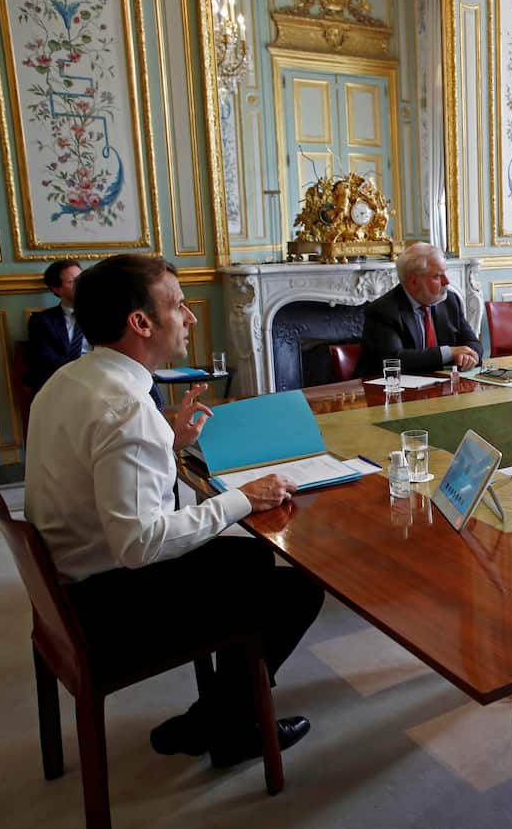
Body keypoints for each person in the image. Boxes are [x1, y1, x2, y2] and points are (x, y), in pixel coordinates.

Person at [24, 254, 324, 768]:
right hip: (104, 606)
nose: (189, 317)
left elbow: (107, 472)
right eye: (178, 306)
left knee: (248, 562)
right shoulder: (127, 409)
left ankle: (220, 716)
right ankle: (228, 726)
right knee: (298, 587)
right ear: (140, 323)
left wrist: (169, 441)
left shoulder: (70, 379)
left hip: (66, 585)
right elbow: (140, 546)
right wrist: (243, 498)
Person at [356, 242, 482, 377]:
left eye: (444, 273)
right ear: (413, 282)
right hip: (391, 391)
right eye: (437, 276)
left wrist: (468, 356)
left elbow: (474, 344)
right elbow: (394, 359)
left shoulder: (450, 301)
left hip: (440, 387)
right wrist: (449, 353)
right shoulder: (383, 311)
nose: (447, 281)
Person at [24, 258, 85, 394]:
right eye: (72, 281)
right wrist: (82, 371)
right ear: (56, 289)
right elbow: (45, 359)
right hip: (63, 385)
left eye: (81, 278)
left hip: (101, 381)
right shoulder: (42, 321)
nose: (80, 284)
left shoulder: (103, 315)